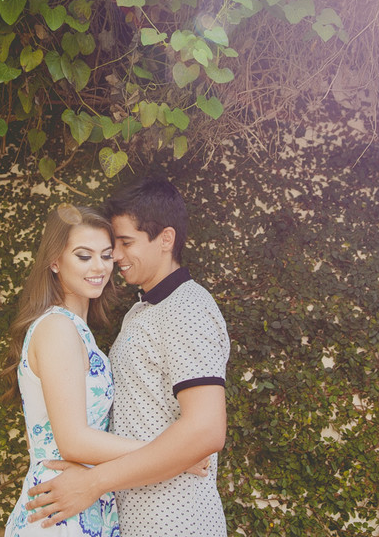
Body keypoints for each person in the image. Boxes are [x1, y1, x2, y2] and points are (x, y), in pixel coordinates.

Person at [27, 175, 230, 537]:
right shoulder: (142, 311)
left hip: (176, 520)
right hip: (133, 518)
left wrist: (95, 481)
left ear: (165, 239)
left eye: (124, 243)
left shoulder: (187, 308)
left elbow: (206, 429)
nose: (114, 258)